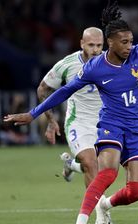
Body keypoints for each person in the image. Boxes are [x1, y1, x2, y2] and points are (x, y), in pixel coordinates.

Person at [3, 1, 138, 224]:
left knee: (136, 192)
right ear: (111, 43)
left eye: (131, 40)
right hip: (111, 123)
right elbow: (64, 91)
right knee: (106, 172)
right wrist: (33, 114)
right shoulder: (95, 67)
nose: (129, 46)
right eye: (124, 42)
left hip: (137, 128)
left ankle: (105, 204)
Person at [37, 27, 103, 186]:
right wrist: (51, 121)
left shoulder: (111, 62)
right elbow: (43, 89)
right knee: (91, 164)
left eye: (99, 45)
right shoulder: (68, 64)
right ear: (82, 44)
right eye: (91, 45)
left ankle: (71, 165)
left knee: (103, 167)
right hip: (78, 122)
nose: (95, 50)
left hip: (105, 123)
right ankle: (98, 210)